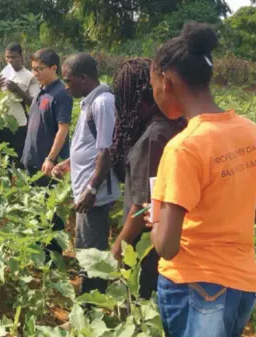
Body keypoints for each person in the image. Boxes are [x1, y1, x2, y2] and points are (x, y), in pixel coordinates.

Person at [145, 22, 256, 337]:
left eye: (153, 84)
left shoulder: (184, 147)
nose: (154, 93)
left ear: (166, 80)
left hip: (195, 286)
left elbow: (167, 247)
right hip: (242, 284)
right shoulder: (251, 131)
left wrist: (156, 218)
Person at [108, 58, 186, 300]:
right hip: (174, 240)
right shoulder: (175, 125)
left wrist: (119, 245)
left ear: (139, 100)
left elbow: (145, 206)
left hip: (147, 247)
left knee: (143, 301)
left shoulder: (153, 137)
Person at [52, 53, 120, 295]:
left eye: (68, 81)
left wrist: (91, 189)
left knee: (92, 254)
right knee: (84, 249)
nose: (66, 86)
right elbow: (90, 147)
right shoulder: (89, 102)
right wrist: (68, 163)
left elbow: (107, 150)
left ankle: (91, 307)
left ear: (83, 78)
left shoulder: (103, 103)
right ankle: (88, 302)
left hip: (94, 195)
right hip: (86, 192)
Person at [22, 48, 72, 258]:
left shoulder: (61, 93)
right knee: (37, 208)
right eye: (33, 69)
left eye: (40, 69)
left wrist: (51, 158)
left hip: (49, 164)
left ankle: (53, 256)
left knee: (51, 210)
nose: (36, 73)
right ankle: (39, 252)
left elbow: (63, 128)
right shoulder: (42, 91)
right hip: (33, 161)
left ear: (54, 68)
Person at [0, 42, 40, 169]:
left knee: (20, 160)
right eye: (7, 57)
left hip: (20, 125)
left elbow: (34, 103)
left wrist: (18, 90)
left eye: (13, 57)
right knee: (5, 162)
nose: (10, 60)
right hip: (2, 124)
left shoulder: (30, 77)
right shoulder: (3, 74)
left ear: (21, 57)